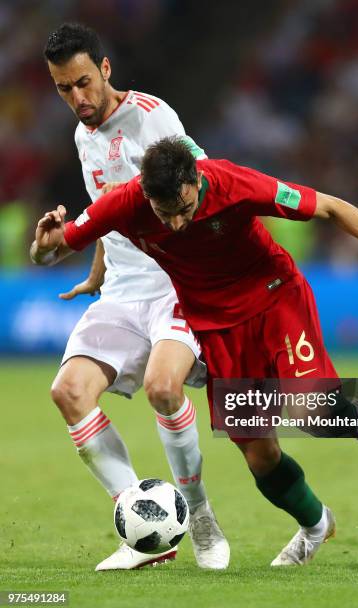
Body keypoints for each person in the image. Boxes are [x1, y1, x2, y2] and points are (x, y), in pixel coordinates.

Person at [31, 137, 358, 566]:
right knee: (260, 456)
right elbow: (55, 247)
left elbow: (330, 207)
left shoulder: (235, 184)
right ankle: (317, 526)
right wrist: (43, 247)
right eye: (162, 212)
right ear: (145, 194)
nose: (174, 224)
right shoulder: (126, 202)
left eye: (184, 210)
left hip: (274, 298)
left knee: (310, 410)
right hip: (218, 329)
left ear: (196, 180)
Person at [38, 23, 229, 571]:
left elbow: (204, 179)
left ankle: (200, 517)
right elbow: (110, 212)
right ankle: (147, 530)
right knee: (69, 392)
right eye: (61, 89)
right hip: (122, 289)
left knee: (165, 389)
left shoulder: (153, 117)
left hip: (174, 283)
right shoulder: (83, 136)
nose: (76, 99)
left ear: (105, 70)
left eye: (82, 83)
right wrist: (98, 271)